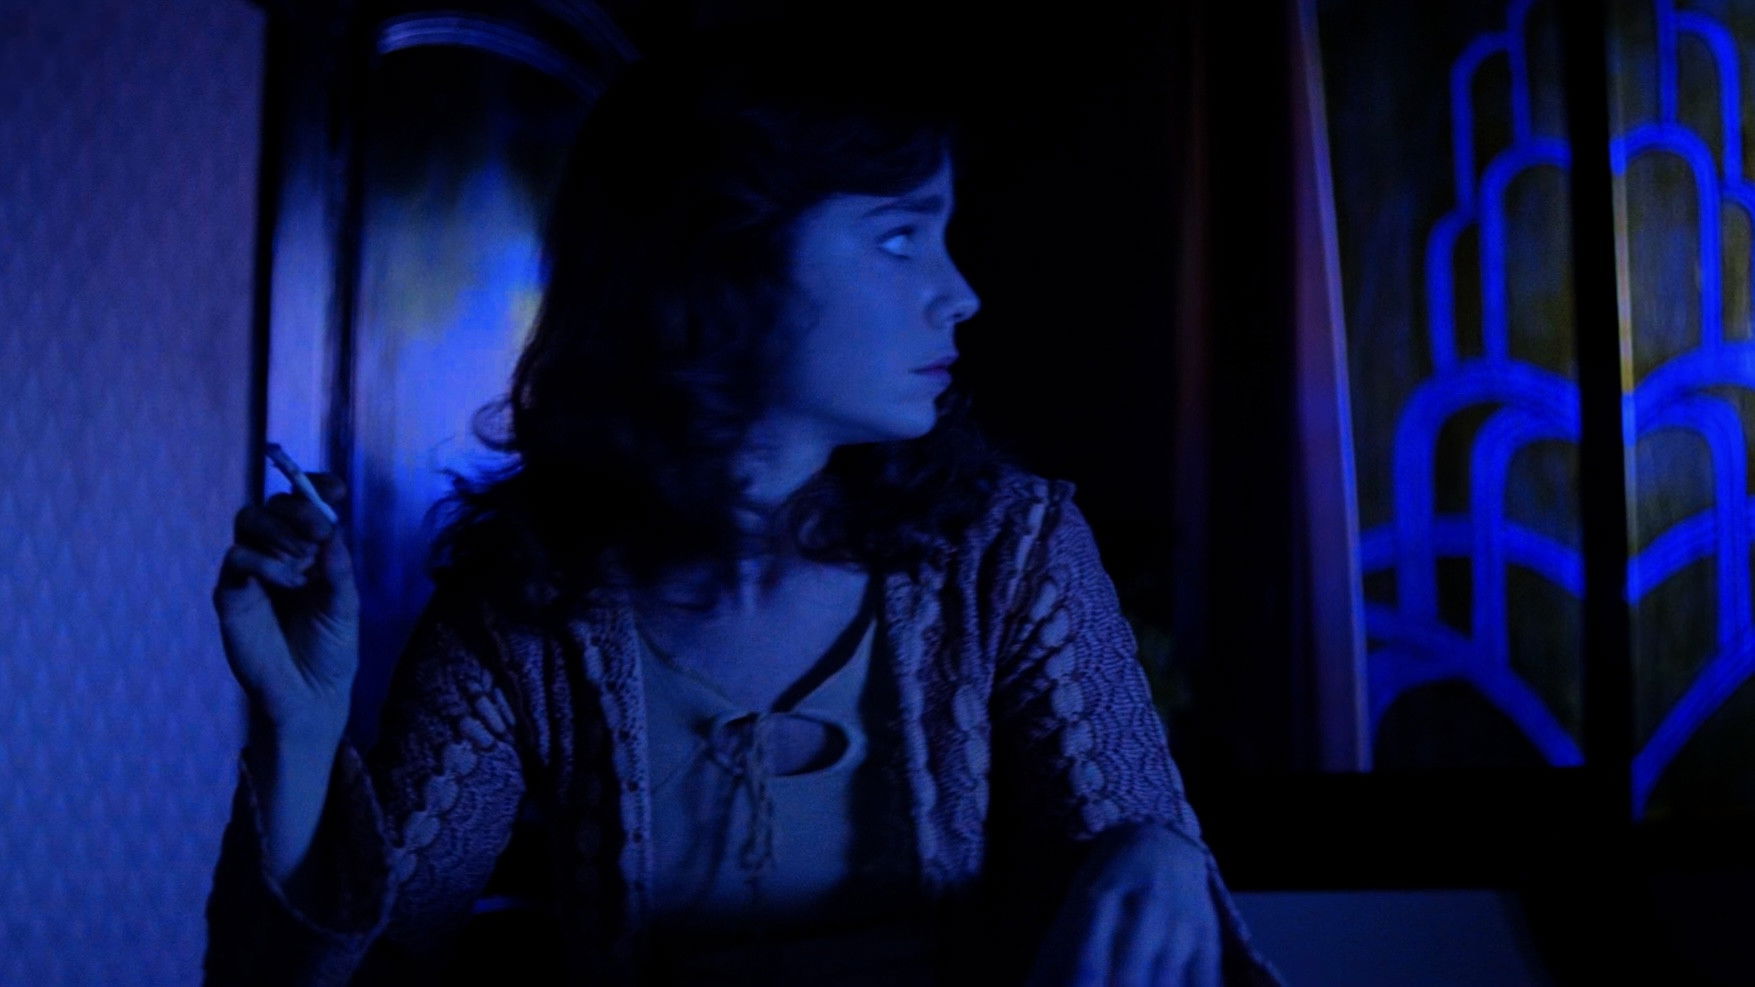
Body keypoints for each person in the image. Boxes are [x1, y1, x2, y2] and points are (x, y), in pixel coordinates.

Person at [204, 18, 1281, 987]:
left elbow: (1144, 863)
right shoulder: (530, 606)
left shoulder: (1007, 551)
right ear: (725, 257)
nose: (960, 294)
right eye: (899, 237)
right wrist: (302, 729)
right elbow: (369, 965)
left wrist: (1156, 856)